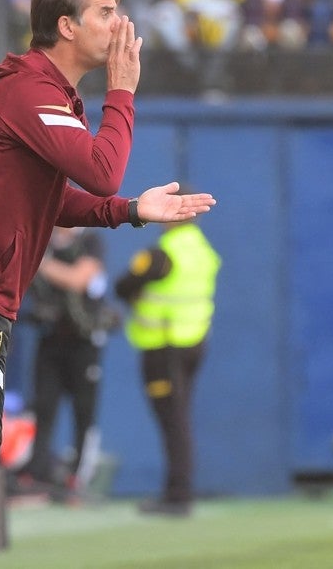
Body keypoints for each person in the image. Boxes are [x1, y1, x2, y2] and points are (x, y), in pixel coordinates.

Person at [0, 0, 215, 569]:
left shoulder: (50, 93)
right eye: (105, 12)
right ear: (66, 25)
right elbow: (101, 172)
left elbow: (55, 197)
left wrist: (131, 211)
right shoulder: (31, 90)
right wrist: (122, 91)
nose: (119, 24)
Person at [113, 208, 219, 518]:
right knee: (179, 418)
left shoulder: (163, 254)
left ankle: (178, 495)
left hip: (164, 346)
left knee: (173, 421)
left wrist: (133, 296)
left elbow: (123, 286)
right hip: (194, 341)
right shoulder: (202, 249)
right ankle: (178, 490)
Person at [19, 227, 117, 500]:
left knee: (83, 410)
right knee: (43, 407)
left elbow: (78, 279)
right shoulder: (45, 238)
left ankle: (78, 478)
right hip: (50, 337)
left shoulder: (89, 240)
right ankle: (36, 473)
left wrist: (39, 262)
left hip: (84, 341)